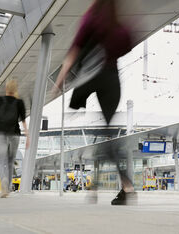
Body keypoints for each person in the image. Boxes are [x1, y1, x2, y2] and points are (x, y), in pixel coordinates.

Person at [53, 0, 133, 205]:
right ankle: (118, 187)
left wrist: (59, 82)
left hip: (95, 77)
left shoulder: (90, 17)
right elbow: (127, 42)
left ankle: (121, 186)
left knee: (106, 140)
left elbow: (73, 53)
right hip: (114, 82)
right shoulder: (116, 22)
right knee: (107, 135)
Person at [0, 80, 29, 198]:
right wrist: (27, 135)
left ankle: (3, 180)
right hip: (14, 134)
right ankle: (7, 188)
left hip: (1, 133)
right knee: (9, 161)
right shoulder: (19, 102)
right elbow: (23, 120)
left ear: (6, 89)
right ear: (15, 90)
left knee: (2, 160)